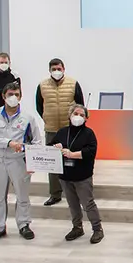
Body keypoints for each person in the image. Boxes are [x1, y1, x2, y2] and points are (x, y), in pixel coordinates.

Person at [0, 83, 42, 243]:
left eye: (16, 94)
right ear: (3, 96)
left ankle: (24, 224)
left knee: (22, 196)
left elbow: (36, 141)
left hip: (19, 162)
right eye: (9, 94)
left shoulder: (28, 118)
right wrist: (9, 142)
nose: (13, 97)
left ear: (20, 96)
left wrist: (33, 163)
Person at [49, 104, 104, 244]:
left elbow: (91, 152)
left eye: (82, 115)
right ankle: (77, 227)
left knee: (88, 203)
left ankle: (97, 229)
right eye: (76, 113)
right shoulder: (62, 132)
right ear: (70, 115)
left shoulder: (89, 134)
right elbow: (50, 147)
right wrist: (56, 147)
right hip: (65, 175)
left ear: (86, 119)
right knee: (72, 204)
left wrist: (72, 154)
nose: (78, 117)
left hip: (82, 175)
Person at [35, 58, 85, 206]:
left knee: (71, 160)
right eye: (53, 69)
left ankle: (75, 192)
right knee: (51, 162)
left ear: (63, 69)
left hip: (69, 128)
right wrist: (46, 117)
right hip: (51, 128)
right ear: (49, 70)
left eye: (59, 68)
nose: (56, 71)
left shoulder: (73, 83)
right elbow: (39, 106)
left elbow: (80, 105)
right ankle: (55, 194)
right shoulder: (42, 85)